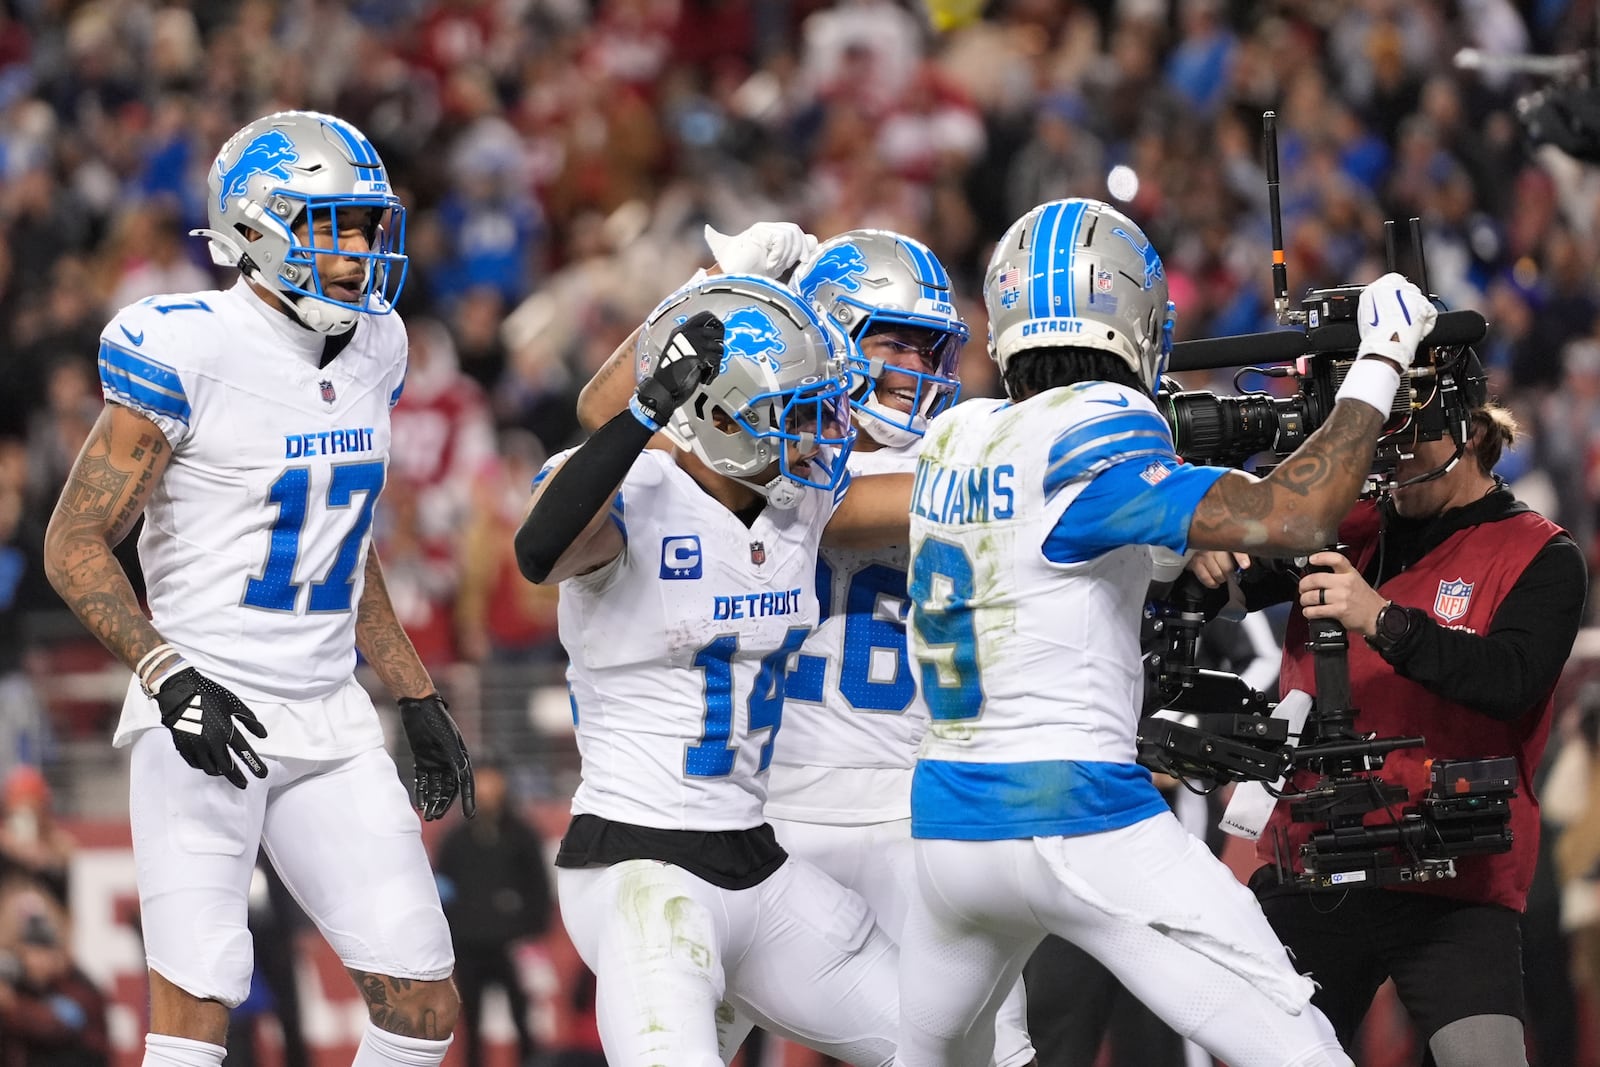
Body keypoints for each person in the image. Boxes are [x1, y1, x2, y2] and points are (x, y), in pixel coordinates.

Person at [897, 195, 1440, 1067]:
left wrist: (1165, 548)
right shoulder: (1097, 428)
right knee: (1298, 1047)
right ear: (1134, 316)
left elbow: (1045, 548)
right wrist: (1377, 362)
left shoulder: (955, 435)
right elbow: (1297, 516)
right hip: (1074, 819)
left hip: (947, 835)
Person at [41, 111, 476, 1067]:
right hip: (208, 712)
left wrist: (415, 691)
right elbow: (73, 542)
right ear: (256, 228)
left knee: (424, 1003)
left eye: (367, 227)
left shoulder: (378, 346)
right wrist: (168, 675)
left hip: (326, 713)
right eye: (335, 226)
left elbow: (344, 539)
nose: (361, 251)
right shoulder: (189, 346)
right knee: (193, 1019)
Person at [571, 224, 1033, 1065]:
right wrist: (717, 284)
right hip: (762, 811)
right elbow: (609, 421)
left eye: (933, 351)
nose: (917, 374)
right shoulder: (761, 456)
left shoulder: (967, 440)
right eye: (891, 344)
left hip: (910, 810)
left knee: (991, 1053)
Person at [516, 272, 915, 1066]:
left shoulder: (796, 505)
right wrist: (641, 413)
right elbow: (539, 550)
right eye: (801, 414)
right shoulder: (637, 491)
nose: (823, 433)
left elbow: (937, 494)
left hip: (754, 860)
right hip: (640, 869)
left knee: (956, 1046)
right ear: (730, 419)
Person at [1189, 388, 1586, 1066]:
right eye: (1376, 439)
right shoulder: (1344, 522)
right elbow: (1209, 584)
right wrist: (1197, 554)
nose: (1388, 459)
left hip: (1452, 879)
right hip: (1315, 861)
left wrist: (1382, 618)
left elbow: (1510, 678)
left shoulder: (1540, 552)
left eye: (1405, 437)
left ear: (1463, 428)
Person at [434, 762, 552, 1067]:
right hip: (469, 945)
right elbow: (441, 890)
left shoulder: (523, 836)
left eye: (491, 782)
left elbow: (538, 887)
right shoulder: (454, 839)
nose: (485, 790)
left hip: (513, 945)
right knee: (471, 1024)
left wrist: (531, 933)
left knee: (524, 1020)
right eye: (479, 783)